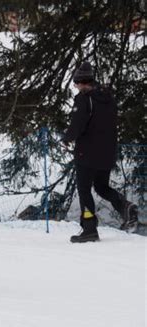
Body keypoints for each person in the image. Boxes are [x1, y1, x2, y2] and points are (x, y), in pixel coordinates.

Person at [63, 62, 138, 243]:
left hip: (87, 154)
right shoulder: (107, 98)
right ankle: (124, 206)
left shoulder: (84, 99)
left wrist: (66, 138)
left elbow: (78, 125)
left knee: (84, 190)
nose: (76, 87)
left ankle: (89, 229)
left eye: (76, 83)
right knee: (101, 187)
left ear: (81, 82)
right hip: (107, 152)